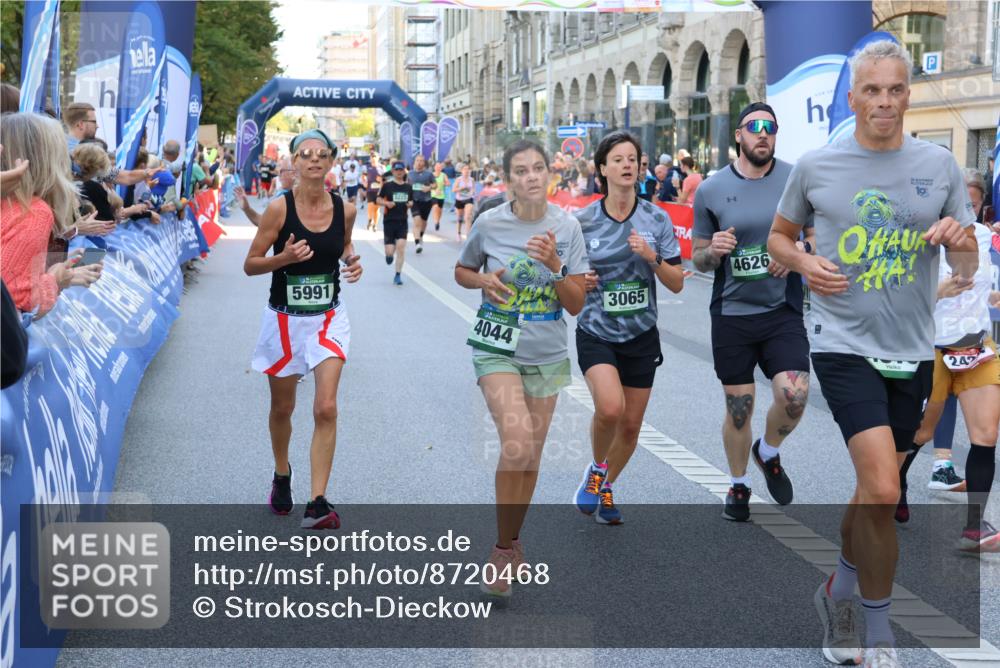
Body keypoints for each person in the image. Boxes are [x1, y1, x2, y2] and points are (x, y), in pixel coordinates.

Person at [768, 40, 979, 668]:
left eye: (895, 90)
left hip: (911, 348)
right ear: (853, 96)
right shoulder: (818, 166)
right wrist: (805, 261)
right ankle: (874, 630)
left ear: (907, 94)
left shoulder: (939, 167)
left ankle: (837, 588)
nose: (884, 102)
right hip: (841, 342)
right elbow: (780, 239)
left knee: (872, 491)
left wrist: (958, 240)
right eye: (872, 90)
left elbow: (965, 268)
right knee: (885, 486)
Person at [454, 139, 587, 597]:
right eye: (520, 170)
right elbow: (462, 270)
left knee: (529, 457)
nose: (530, 176)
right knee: (516, 444)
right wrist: (482, 279)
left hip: (547, 350)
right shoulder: (490, 223)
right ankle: (500, 547)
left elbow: (575, 304)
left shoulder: (567, 227)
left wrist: (555, 264)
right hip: (497, 345)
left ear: (550, 173)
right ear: (508, 179)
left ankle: (510, 545)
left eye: (537, 168)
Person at [691, 102, 812, 522]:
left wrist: (797, 251)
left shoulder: (795, 179)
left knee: (794, 396)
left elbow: (817, 239)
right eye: (754, 127)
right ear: (738, 135)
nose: (763, 133)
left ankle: (769, 452)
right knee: (738, 408)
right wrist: (714, 253)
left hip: (782, 309)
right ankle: (739, 485)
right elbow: (697, 258)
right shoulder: (710, 189)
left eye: (771, 127)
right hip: (733, 312)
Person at [243, 128, 363, 530]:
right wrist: (285, 258)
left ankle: (317, 502)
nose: (313, 160)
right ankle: (282, 473)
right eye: (305, 154)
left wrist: (351, 260)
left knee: (325, 406)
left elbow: (344, 244)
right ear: (293, 162)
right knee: (283, 408)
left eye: (321, 154)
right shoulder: (279, 209)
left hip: (329, 318)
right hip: (284, 320)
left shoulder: (345, 208)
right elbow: (251, 263)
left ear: (331, 162)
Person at [572, 131, 685, 525]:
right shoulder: (583, 221)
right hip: (597, 330)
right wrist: (577, 281)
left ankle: (600, 482)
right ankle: (599, 472)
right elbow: (565, 277)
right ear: (602, 168)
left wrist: (651, 257)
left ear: (640, 166)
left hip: (641, 333)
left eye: (632, 158)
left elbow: (676, 281)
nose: (626, 165)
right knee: (611, 409)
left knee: (632, 427)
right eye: (617, 159)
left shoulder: (657, 218)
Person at [895, 215, 999, 548]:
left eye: (970, 202)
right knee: (923, 431)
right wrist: (939, 291)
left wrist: (994, 297)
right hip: (929, 345)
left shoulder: (982, 237)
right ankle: (893, 483)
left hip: (976, 345)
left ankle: (974, 527)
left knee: (986, 433)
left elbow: (985, 288)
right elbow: (895, 297)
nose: (961, 208)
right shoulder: (915, 239)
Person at [1, 113, 102, 317]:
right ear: (47, 160)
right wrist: (56, 280)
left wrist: (56, 268)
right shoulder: (33, 212)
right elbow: (16, 304)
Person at [377, 161, 414, 286]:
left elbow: (411, 201)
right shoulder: (387, 186)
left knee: (401, 248)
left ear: (404, 171)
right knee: (389, 251)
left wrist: (410, 204)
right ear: (393, 171)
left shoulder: (408, 187)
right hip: (389, 221)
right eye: (397, 170)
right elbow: (378, 199)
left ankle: (398, 275)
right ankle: (389, 255)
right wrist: (386, 203)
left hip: (402, 221)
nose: (399, 172)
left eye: (401, 170)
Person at [408, 155, 434, 252]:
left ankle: (420, 236)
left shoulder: (429, 174)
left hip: (426, 200)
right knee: (417, 221)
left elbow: (435, 184)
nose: (419, 162)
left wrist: (429, 187)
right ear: (414, 162)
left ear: (424, 163)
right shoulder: (409, 174)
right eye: (417, 160)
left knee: (423, 222)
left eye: (421, 161)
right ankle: (417, 243)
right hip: (414, 201)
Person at [453, 163, 476, 239]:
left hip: (469, 199)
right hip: (459, 199)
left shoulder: (471, 179)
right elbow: (453, 190)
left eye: (468, 169)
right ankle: (458, 233)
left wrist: (472, 192)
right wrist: (461, 188)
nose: (466, 171)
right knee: (460, 218)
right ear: (461, 171)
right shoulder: (458, 180)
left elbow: (473, 188)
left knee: (468, 216)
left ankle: (468, 235)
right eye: (465, 169)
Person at [362, 157, 383, 232]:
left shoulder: (381, 167)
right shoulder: (367, 167)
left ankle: (375, 225)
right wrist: (364, 182)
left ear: (377, 159)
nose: (373, 160)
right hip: (370, 190)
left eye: (374, 159)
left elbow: (385, 178)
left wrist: (381, 180)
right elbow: (363, 175)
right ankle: (370, 219)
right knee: (370, 206)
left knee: (377, 209)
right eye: (372, 159)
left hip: (379, 191)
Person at [430, 161, 450, 231]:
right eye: (437, 166)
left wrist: (444, 184)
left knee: (440, 210)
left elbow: (448, 183)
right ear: (434, 167)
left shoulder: (443, 175)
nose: (438, 168)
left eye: (440, 167)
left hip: (441, 195)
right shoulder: (431, 175)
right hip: (433, 194)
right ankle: (436, 222)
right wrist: (433, 188)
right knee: (435, 207)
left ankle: (438, 221)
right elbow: (427, 184)